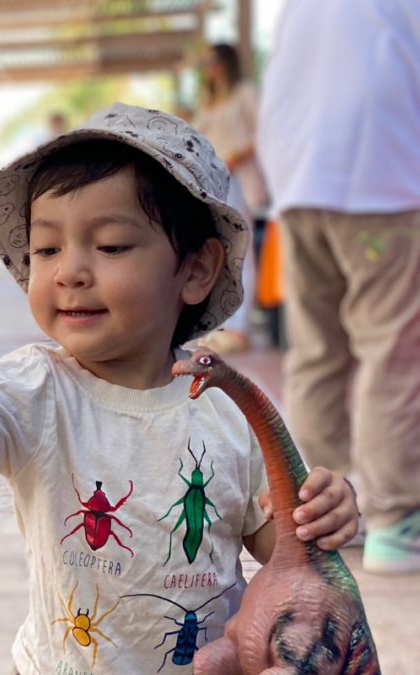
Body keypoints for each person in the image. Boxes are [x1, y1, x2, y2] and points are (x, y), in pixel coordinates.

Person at [0, 103, 360, 673]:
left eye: (110, 246)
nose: (68, 271)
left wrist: (321, 517)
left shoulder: (229, 407)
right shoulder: (32, 388)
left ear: (197, 270)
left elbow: (276, 547)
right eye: (47, 248)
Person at [257, 0, 420, 574]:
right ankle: (399, 516)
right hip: (381, 175)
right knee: (395, 349)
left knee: (318, 350)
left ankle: (325, 514)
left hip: (297, 178)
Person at [192, 43, 269, 354]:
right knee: (216, 250)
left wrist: (235, 157)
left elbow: (262, 132)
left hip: (237, 176)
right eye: (205, 62)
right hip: (211, 181)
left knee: (240, 250)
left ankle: (240, 328)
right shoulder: (207, 103)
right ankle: (218, 324)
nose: (209, 68)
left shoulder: (245, 93)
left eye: (213, 61)